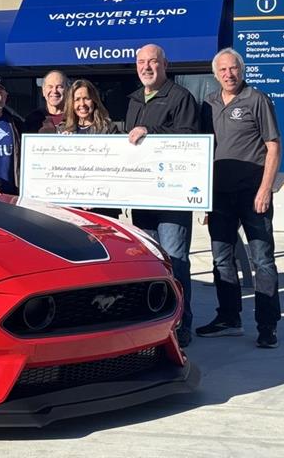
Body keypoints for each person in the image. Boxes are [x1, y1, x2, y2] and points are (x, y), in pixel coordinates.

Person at [196, 47, 282, 349]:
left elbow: (273, 146)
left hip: (252, 195)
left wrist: (264, 189)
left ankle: (267, 325)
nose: (228, 74)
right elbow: (202, 152)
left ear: (241, 70)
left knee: (263, 260)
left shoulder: (256, 100)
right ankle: (229, 319)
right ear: (215, 74)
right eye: (222, 70)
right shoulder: (208, 105)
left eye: (233, 69)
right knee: (222, 260)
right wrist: (203, 198)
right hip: (219, 196)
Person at [125, 43, 199, 348]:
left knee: (176, 261)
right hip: (143, 198)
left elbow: (191, 138)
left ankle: (181, 324)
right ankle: (153, 324)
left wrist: (150, 132)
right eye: (141, 62)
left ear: (164, 65)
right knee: (149, 264)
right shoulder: (133, 100)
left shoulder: (181, 98)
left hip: (172, 199)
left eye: (152, 62)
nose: (146, 67)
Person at [57, 79, 122, 218]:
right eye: (77, 99)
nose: (82, 104)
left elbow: (115, 168)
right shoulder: (62, 131)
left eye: (86, 98)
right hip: (71, 206)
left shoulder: (109, 129)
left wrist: (93, 195)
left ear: (94, 100)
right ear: (71, 103)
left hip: (102, 206)